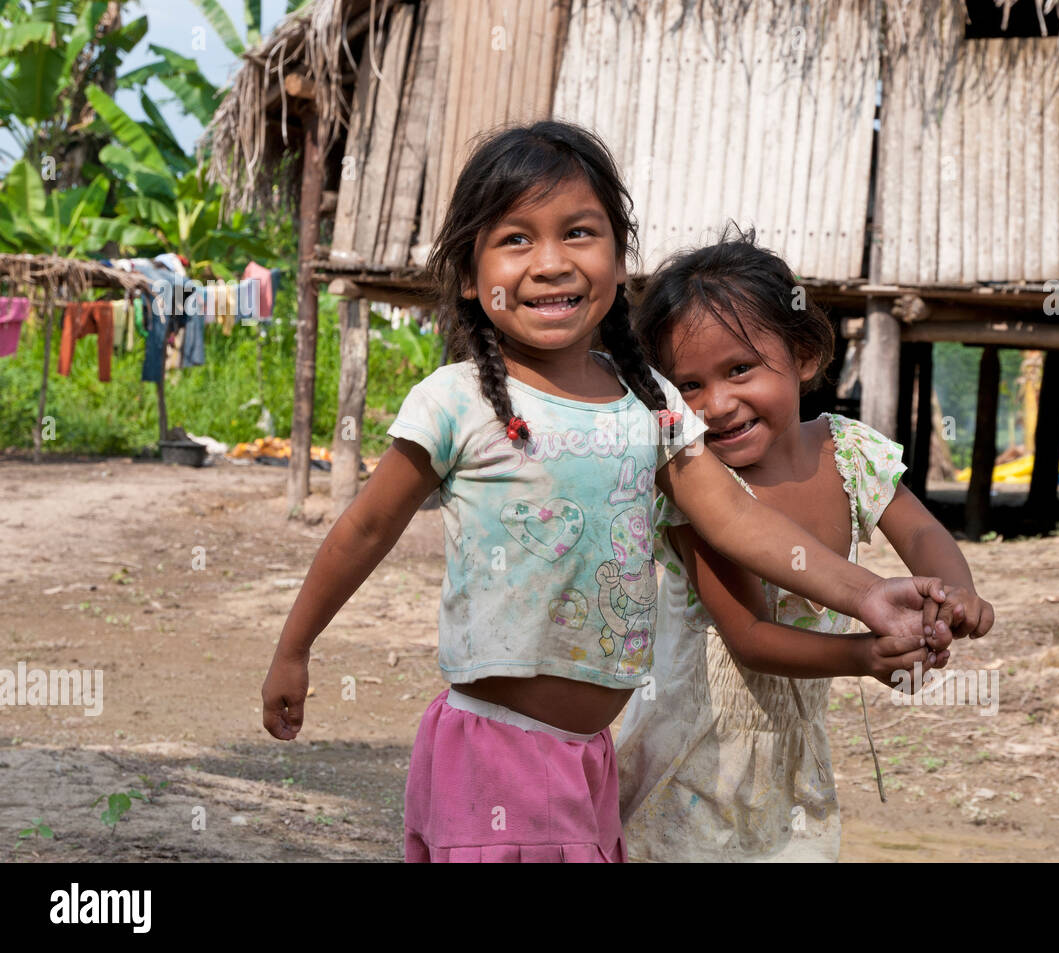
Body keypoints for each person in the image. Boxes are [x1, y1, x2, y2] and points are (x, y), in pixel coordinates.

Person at [261, 121, 954, 863]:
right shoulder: (456, 402)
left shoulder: (647, 402)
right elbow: (363, 530)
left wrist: (867, 593)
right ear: (470, 275)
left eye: (579, 233)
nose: (551, 262)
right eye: (517, 239)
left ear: (619, 260)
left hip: (591, 756)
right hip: (496, 749)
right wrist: (294, 647)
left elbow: (734, 518)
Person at [617, 227, 995, 862]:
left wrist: (952, 597)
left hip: (793, 752)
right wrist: (869, 657)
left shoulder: (847, 452)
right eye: (689, 387)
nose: (717, 404)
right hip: (697, 755)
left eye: (740, 369)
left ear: (804, 355)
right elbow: (751, 640)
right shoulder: (697, 486)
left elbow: (924, 531)